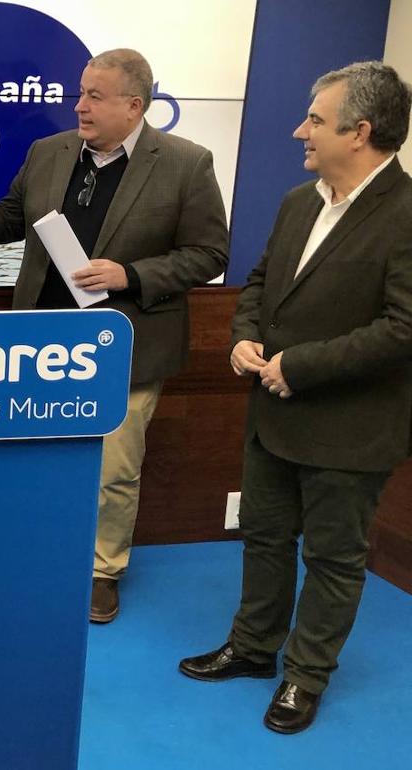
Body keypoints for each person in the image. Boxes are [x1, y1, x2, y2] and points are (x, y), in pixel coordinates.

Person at [0, 48, 230, 623]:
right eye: (80, 92)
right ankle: (34, 556)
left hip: (125, 346)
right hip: (40, 344)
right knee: (34, 460)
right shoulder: (48, 153)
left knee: (113, 470)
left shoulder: (185, 162)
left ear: (135, 105)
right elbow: (8, 222)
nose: (79, 105)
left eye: (94, 96)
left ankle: (102, 571)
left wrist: (132, 274)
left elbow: (209, 253)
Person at [179, 62, 412, 734]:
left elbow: (403, 328)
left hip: (352, 428)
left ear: (359, 132)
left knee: (334, 559)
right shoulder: (296, 202)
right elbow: (256, 286)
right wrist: (243, 339)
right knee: (264, 537)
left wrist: (297, 367)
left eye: (314, 118)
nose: (298, 130)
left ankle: (305, 676)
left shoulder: (406, 214)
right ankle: (252, 649)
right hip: (273, 418)